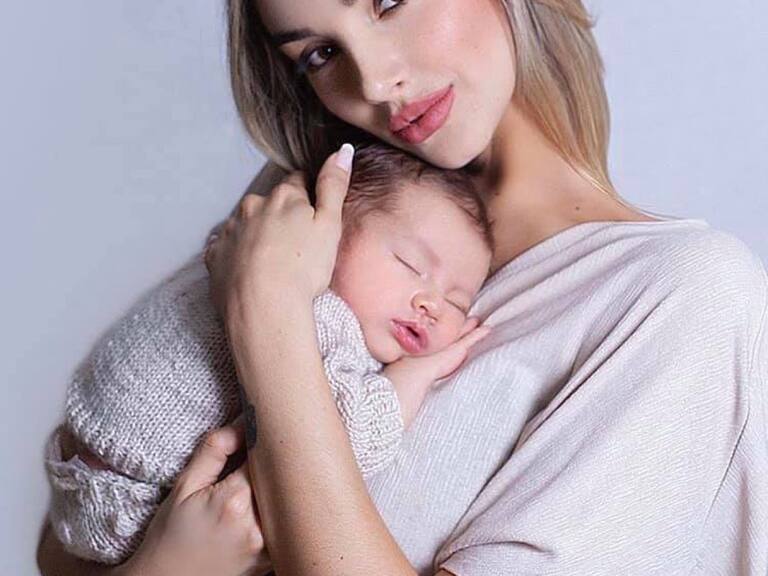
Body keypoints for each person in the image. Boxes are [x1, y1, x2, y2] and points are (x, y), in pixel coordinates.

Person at [38, 0, 768, 575]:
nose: (373, 82)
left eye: (388, 1)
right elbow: (70, 534)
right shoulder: (340, 190)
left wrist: (270, 323)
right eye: (319, 54)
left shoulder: (681, 297)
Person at [43, 142, 493, 565]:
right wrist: (415, 375)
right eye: (411, 265)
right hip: (130, 509)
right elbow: (335, 451)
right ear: (329, 231)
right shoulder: (321, 312)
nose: (431, 304)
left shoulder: (248, 249)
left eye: (457, 302)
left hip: (85, 479)